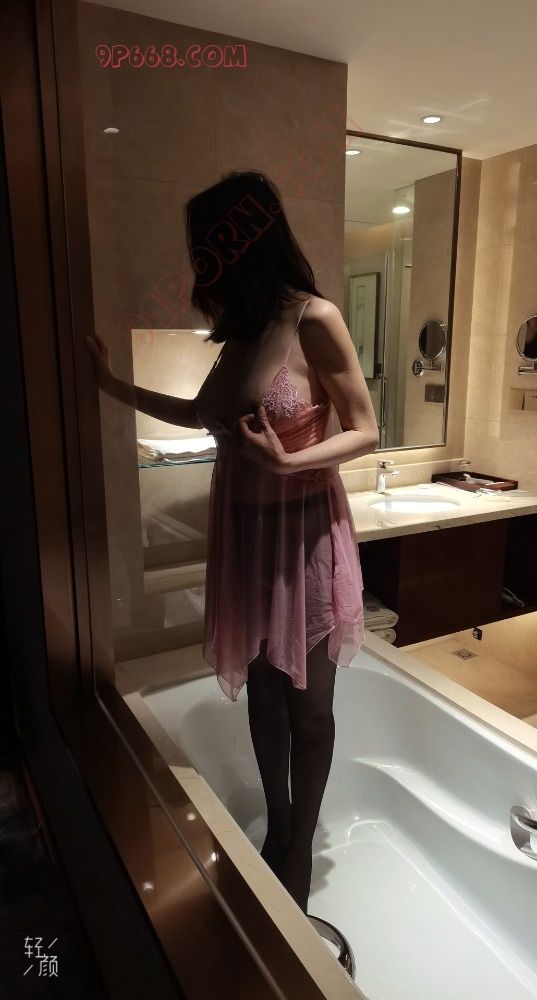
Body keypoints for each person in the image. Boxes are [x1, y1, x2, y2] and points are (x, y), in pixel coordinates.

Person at [85, 169, 379, 914]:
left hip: (305, 540)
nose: (201, 262)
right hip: (246, 543)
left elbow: (365, 429)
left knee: (309, 708)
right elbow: (201, 414)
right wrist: (112, 387)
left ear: (244, 241)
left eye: (209, 245)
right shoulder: (244, 331)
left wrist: (289, 461)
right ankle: (278, 825)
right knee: (265, 696)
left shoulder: (314, 317)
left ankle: (300, 848)